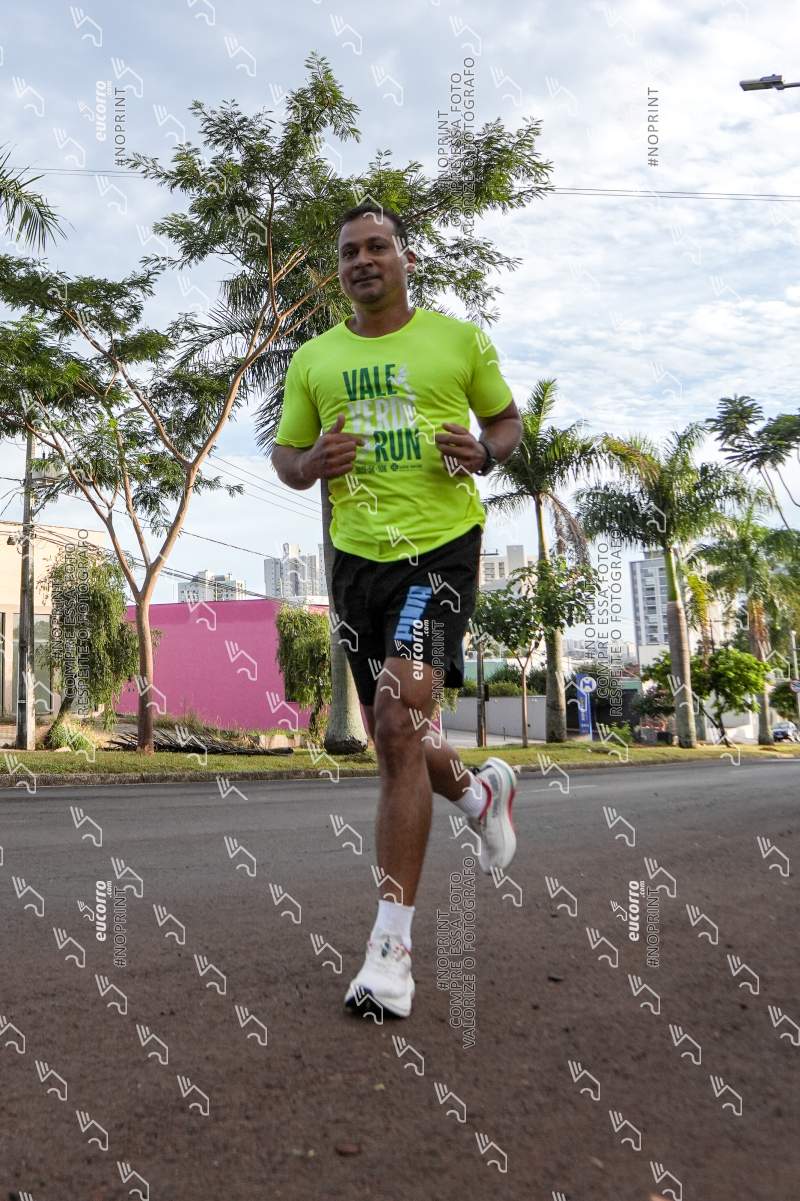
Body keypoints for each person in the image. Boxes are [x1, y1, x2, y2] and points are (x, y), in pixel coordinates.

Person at [271, 201, 523, 1018]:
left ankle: (390, 954)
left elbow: (506, 421)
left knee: (392, 713)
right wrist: (310, 461)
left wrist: (485, 452)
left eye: (377, 246)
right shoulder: (315, 357)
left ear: (406, 260)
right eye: (350, 251)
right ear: (340, 269)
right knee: (399, 736)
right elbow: (285, 454)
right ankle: (479, 796)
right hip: (356, 563)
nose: (363, 259)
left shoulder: (458, 341)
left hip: (439, 551)